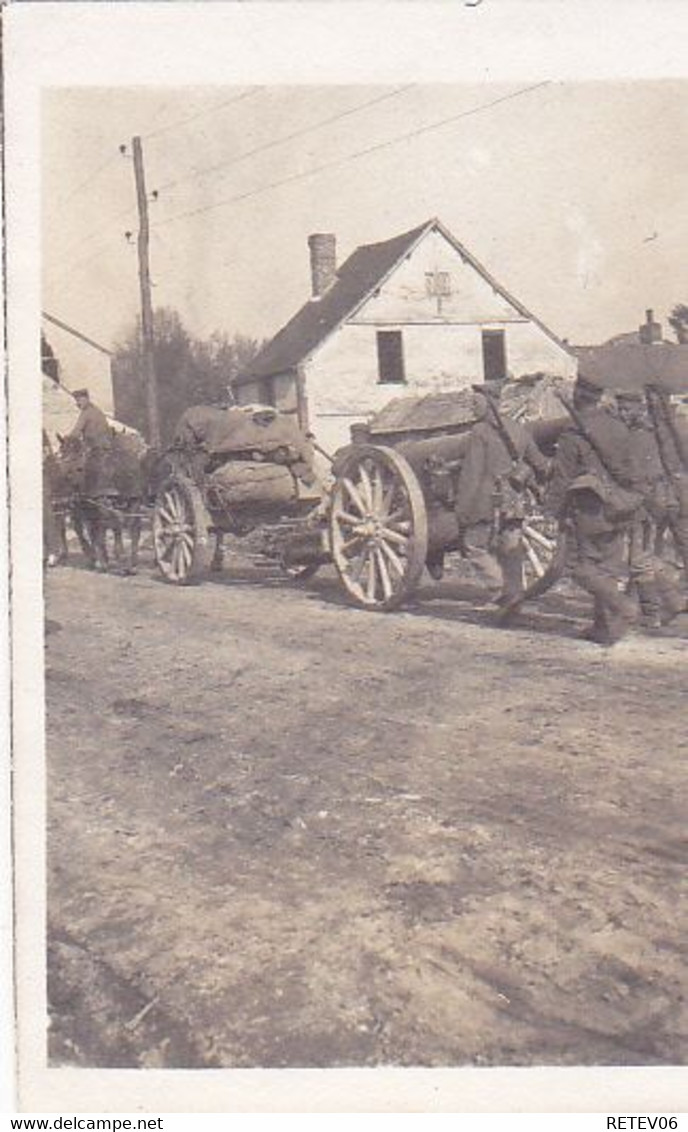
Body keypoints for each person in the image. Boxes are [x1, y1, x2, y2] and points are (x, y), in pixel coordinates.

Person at [547, 374, 643, 645]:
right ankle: (604, 628)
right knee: (608, 568)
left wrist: (551, 510)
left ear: (577, 395)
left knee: (581, 568)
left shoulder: (572, 433)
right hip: (621, 506)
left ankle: (623, 607)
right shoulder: (617, 426)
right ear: (598, 396)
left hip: (590, 509)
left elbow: (562, 477)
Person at [454, 379, 549, 608]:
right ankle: (515, 592)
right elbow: (540, 464)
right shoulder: (520, 430)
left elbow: (472, 474)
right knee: (511, 548)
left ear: (490, 403)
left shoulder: (480, 432)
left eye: (476, 402)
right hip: (515, 501)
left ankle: (500, 588)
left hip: (487, 501)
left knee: (473, 546)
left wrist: (462, 509)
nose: (472, 407)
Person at [616, 390, 685, 627]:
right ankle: (664, 602)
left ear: (640, 409)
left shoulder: (638, 437)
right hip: (663, 503)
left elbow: (634, 475)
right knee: (648, 555)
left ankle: (655, 609)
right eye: (620, 409)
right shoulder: (658, 433)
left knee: (639, 559)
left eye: (626, 409)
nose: (623, 414)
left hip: (646, 506)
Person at [67, 388, 114, 496]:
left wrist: (68, 439)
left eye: (80, 400)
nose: (78, 403)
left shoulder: (87, 412)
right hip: (104, 445)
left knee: (77, 465)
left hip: (95, 445)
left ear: (86, 399)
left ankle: (83, 491)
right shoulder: (97, 410)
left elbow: (77, 430)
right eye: (77, 400)